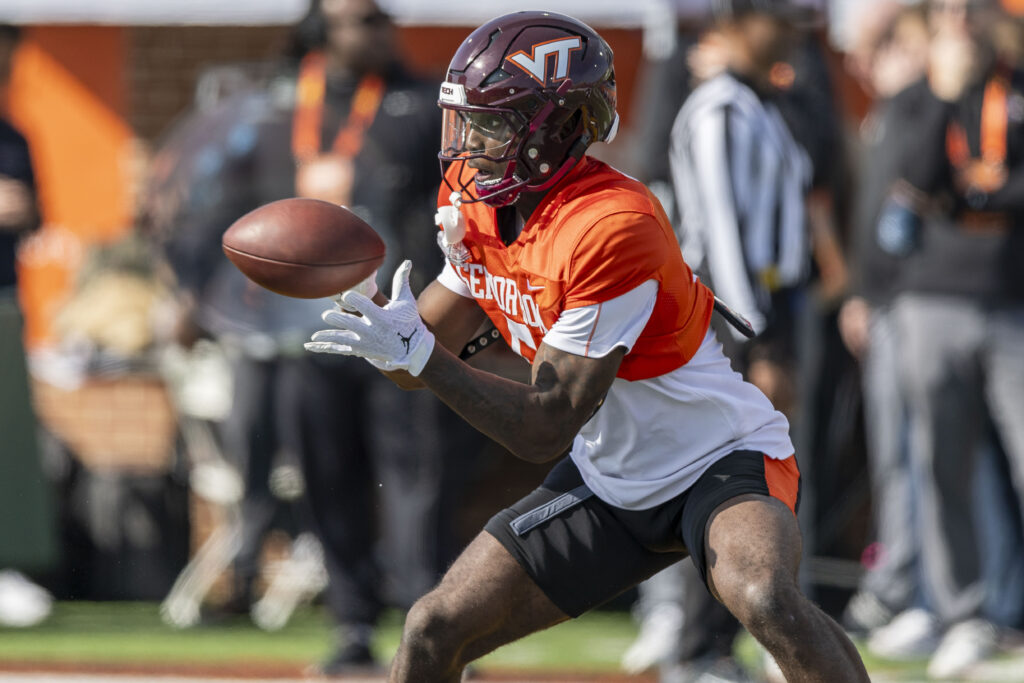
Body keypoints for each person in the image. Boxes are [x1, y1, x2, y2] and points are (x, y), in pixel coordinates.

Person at [304, 10, 870, 682]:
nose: (470, 143)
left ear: (561, 125)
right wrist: (388, 338)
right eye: (468, 121)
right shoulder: (478, 201)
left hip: (717, 459)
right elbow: (423, 357)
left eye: (493, 122)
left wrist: (420, 357)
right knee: (432, 627)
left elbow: (545, 423)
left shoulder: (611, 225)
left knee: (765, 596)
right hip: (611, 481)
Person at [153, 0, 480, 673]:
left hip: (399, 323)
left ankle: (432, 630)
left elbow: (459, 207)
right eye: (361, 18)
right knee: (330, 479)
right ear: (320, 30)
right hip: (307, 327)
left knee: (417, 480)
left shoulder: (419, 106)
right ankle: (353, 627)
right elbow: (218, 205)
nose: (380, 30)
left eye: (381, 17)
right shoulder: (273, 109)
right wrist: (197, 290)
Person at [853, 0, 1024, 677]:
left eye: (975, 12)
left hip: (1012, 302)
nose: (964, 25)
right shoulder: (920, 97)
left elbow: (986, 190)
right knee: (938, 466)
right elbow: (909, 184)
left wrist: (983, 194)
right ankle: (963, 616)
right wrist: (945, 93)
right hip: (931, 300)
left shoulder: (1017, 89)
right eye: (953, 13)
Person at [0, 22, 56, 628]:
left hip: (3, 302)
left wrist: (24, 210)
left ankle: (5, 563)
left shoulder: (14, 135)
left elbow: (36, 218)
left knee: (5, 442)